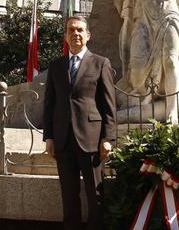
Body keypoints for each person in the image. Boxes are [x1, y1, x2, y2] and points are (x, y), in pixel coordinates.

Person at [43, 15, 116, 230]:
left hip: (92, 140)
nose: (76, 33)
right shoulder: (56, 66)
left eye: (80, 30)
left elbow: (108, 104)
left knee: (95, 194)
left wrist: (108, 137)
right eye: (71, 30)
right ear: (65, 36)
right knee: (69, 195)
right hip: (63, 141)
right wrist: (49, 136)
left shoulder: (101, 63)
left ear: (88, 35)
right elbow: (49, 104)